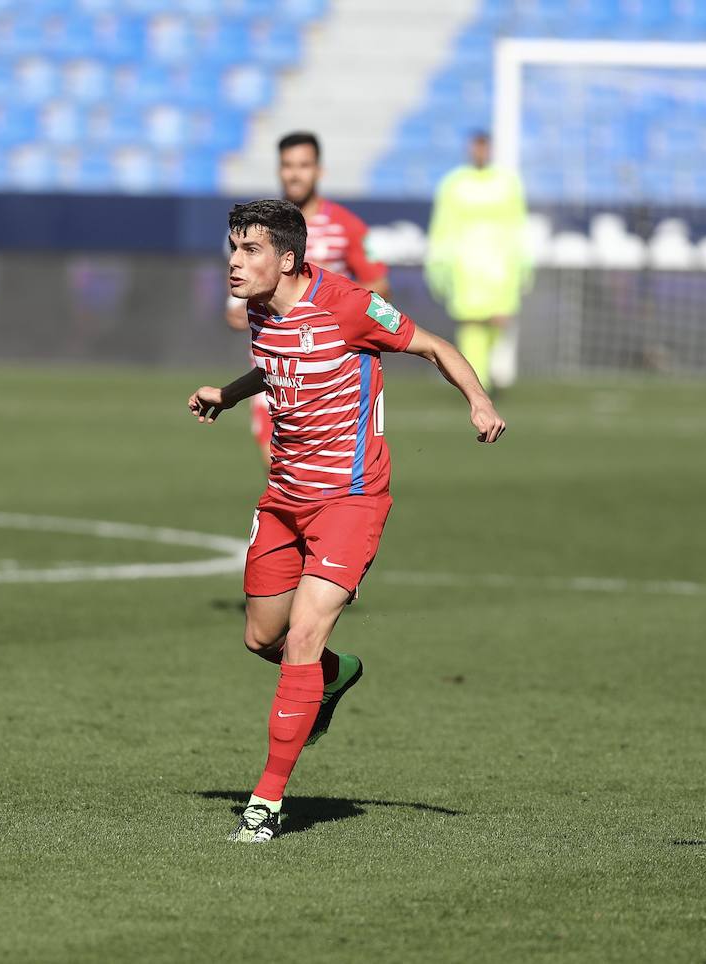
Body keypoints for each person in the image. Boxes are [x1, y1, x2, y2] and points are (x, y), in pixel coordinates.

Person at [189, 199, 505, 844]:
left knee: (302, 638)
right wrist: (230, 392)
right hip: (282, 499)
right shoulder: (260, 309)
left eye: (249, 251)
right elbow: (278, 366)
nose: (234, 262)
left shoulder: (351, 306)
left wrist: (478, 402)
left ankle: (267, 802)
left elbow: (434, 344)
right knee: (262, 640)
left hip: (350, 498)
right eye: (233, 248)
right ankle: (333, 676)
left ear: (287, 259)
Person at [225, 131, 392, 467]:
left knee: (317, 478)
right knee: (280, 470)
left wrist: (336, 309)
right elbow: (234, 311)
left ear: (319, 171)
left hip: (328, 371)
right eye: (287, 165)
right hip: (274, 369)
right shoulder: (257, 228)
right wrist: (240, 309)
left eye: (303, 165)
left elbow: (379, 284)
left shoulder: (346, 226)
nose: (294, 173)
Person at [426, 131, 531, 393]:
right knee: (471, 323)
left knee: (497, 322)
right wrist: (438, 264)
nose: (480, 153)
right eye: (476, 148)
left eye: (484, 148)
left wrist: (523, 264)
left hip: (500, 265)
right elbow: (442, 225)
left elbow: (518, 225)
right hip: (466, 265)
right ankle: (477, 378)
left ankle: (484, 370)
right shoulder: (454, 183)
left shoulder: (508, 183)